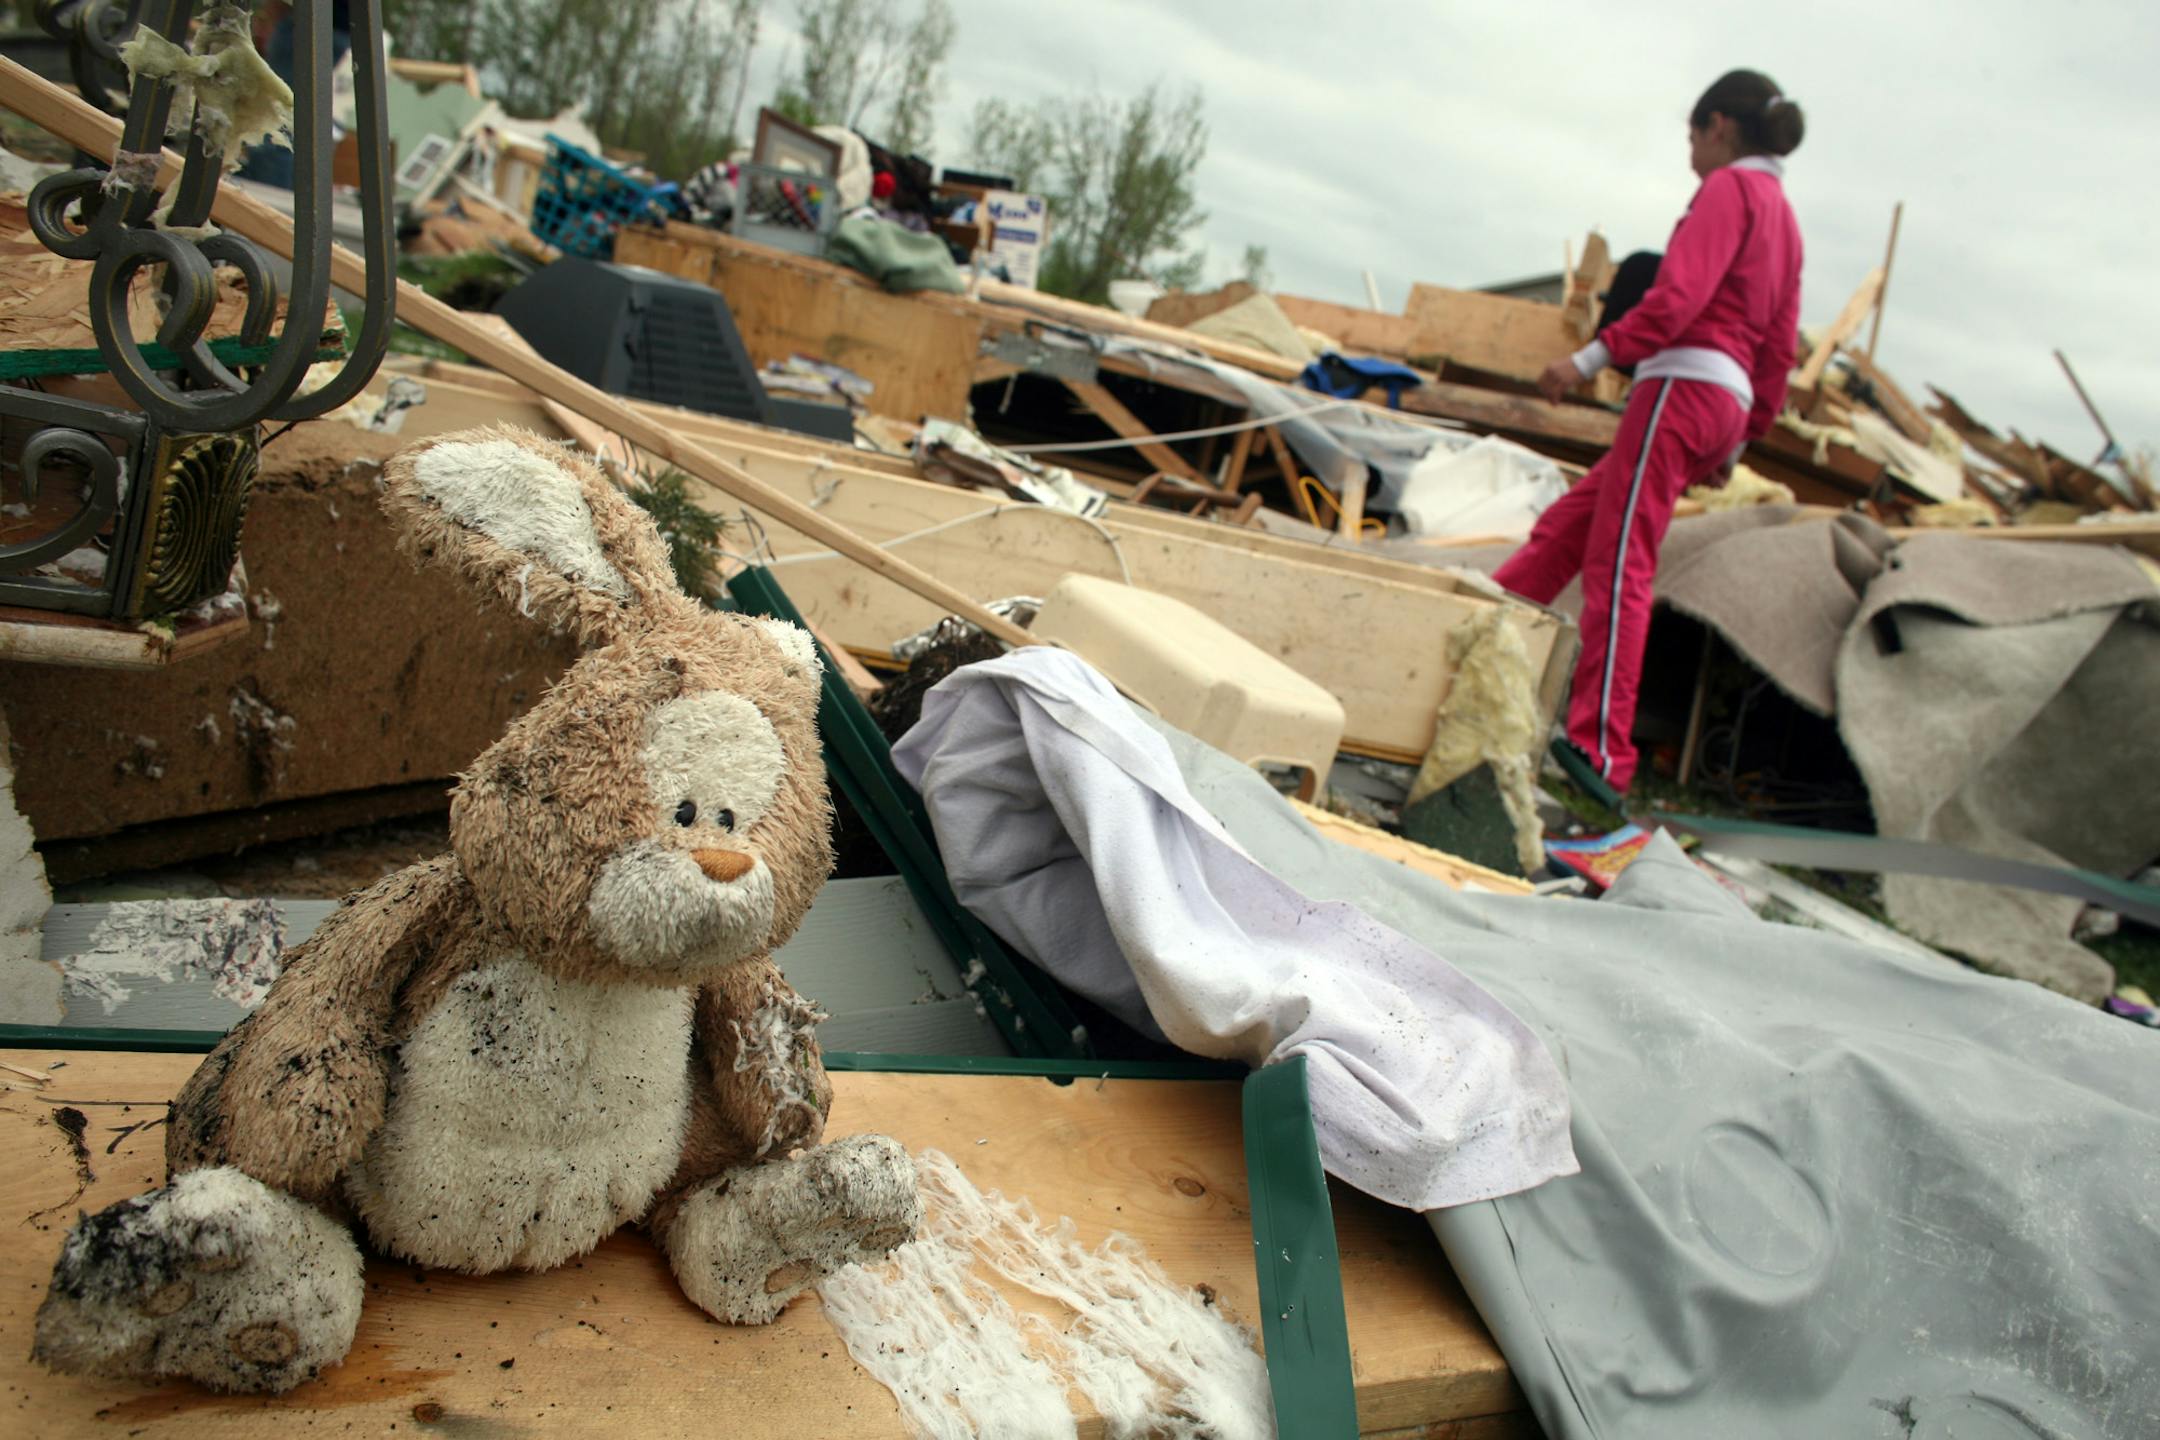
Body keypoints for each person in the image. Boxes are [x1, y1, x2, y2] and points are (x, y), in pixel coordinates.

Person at [1493, 69, 1805, 795]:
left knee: (1617, 563)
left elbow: (1678, 297)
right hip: (1718, 403)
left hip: (1680, 386)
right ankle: (1463, 634)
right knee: (1568, 531)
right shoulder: (1785, 218)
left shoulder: (1730, 190)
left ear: (1718, 126)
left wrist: (1587, 358)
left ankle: (1601, 753)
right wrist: (1741, 435)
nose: (1691, 154)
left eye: (1693, 136)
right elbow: (1781, 345)